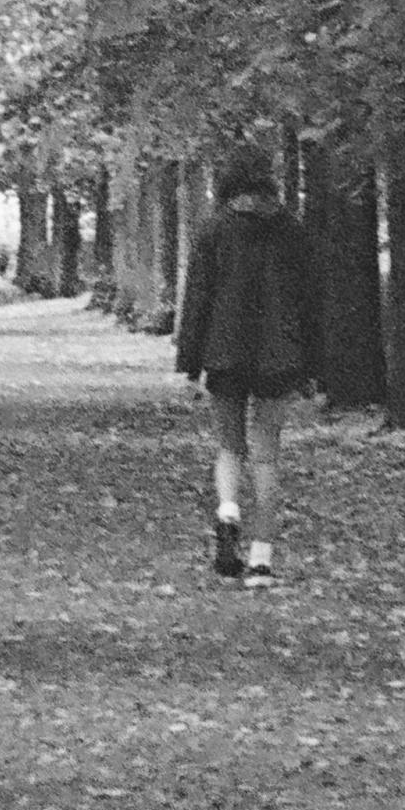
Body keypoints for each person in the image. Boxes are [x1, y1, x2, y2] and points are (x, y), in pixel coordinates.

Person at [167, 147, 328, 584]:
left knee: (229, 448)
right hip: (279, 357)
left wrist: (189, 366)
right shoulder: (292, 232)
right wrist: (314, 366)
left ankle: (228, 511)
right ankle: (260, 560)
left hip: (224, 353)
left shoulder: (214, 230)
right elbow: (311, 304)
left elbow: (198, 299)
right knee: (267, 458)